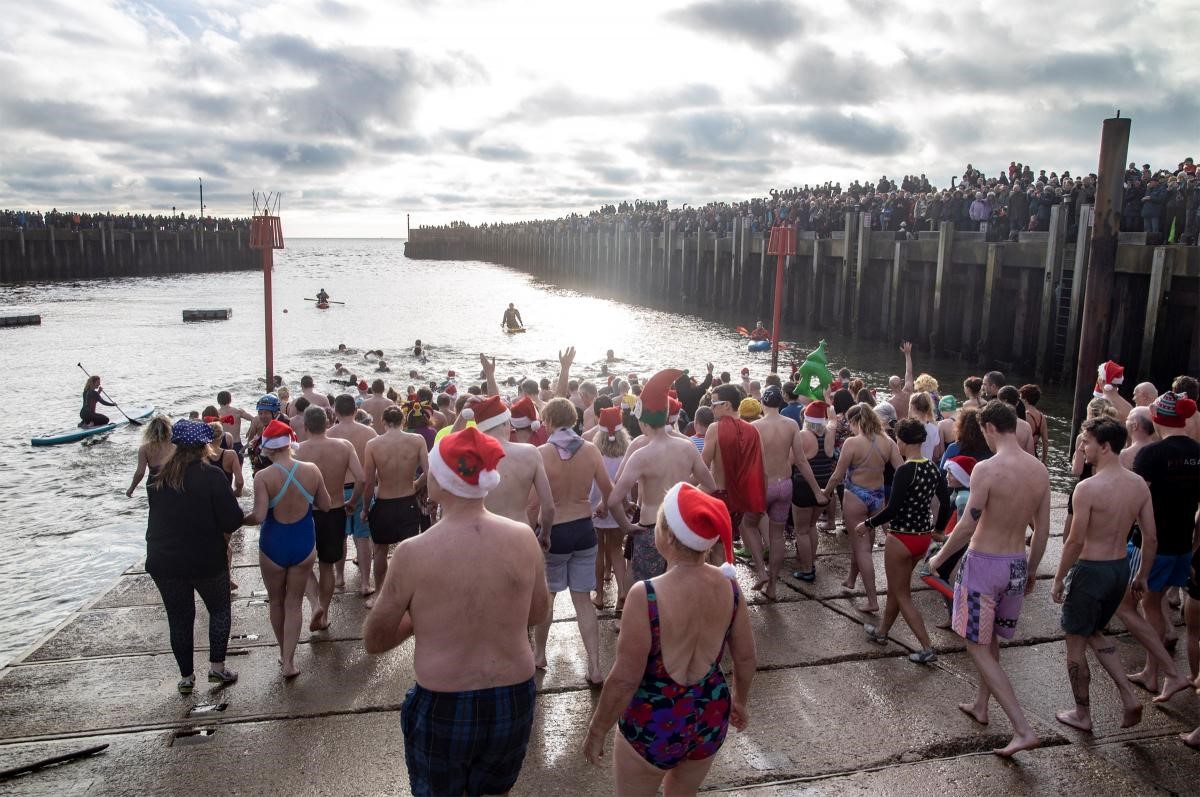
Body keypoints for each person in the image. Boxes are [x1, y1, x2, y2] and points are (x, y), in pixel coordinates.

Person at [364, 427, 550, 797]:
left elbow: (375, 639)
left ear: (442, 480)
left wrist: (422, 617)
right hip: (513, 696)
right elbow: (536, 613)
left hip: (444, 700)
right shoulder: (523, 538)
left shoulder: (414, 552)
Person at [582, 483, 756, 795]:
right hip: (709, 714)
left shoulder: (646, 595)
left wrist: (597, 730)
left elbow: (624, 679)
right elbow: (745, 657)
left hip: (654, 719)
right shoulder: (730, 587)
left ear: (669, 536)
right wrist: (739, 700)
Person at [928, 401, 1050, 758]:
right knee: (991, 638)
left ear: (989, 428)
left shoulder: (986, 469)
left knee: (976, 646)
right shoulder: (1039, 470)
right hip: (1015, 563)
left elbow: (968, 522)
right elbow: (1041, 529)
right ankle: (981, 705)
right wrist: (1031, 569)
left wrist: (939, 557)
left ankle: (1022, 728)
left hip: (983, 564)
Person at [1051, 417, 1157, 732]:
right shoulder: (1138, 484)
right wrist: (1142, 575)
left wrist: (1058, 578)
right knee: (1096, 633)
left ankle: (1082, 714)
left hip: (1089, 571)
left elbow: (1075, 540)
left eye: (1087, 442)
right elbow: (1150, 537)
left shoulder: (1088, 488)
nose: (1082, 446)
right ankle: (1128, 696)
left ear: (1106, 446)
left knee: (1075, 645)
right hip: (1119, 569)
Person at [145, 419, 243, 694]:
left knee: (178, 617)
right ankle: (217, 669)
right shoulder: (210, 475)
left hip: (163, 559)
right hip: (205, 558)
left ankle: (186, 677)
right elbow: (231, 519)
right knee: (219, 609)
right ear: (205, 446)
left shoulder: (157, 477)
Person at [611, 370, 717, 588]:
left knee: (644, 584)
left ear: (643, 421)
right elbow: (710, 485)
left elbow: (613, 499)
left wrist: (626, 526)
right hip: (681, 525)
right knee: (678, 585)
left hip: (652, 527)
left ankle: (633, 618)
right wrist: (686, 492)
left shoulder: (641, 455)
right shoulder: (687, 447)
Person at [533, 398, 613, 685]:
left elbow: (534, 504)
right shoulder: (591, 450)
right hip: (583, 528)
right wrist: (603, 505)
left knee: (549, 598)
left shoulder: (541, 453)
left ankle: (539, 655)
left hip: (554, 532)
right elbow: (610, 490)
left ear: (550, 422)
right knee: (583, 601)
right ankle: (594, 666)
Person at [243, 419, 331, 678]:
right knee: (294, 602)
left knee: (277, 601)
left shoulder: (263, 476)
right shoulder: (312, 470)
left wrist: (239, 519)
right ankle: (291, 662)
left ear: (268, 449)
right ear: (291, 444)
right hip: (303, 542)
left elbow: (259, 516)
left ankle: (284, 654)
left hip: (274, 543)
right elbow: (325, 505)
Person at [860, 419, 952, 663]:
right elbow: (946, 503)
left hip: (901, 538)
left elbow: (892, 511)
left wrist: (867, 524)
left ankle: (926, 647)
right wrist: (938, 528)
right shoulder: (934, 468)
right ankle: (882, 633)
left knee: (902, 593)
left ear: (901, 440)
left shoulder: (905, 470)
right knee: (896, 588)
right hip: (922, 538)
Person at [1127, 391, 1200, 695]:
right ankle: (1154, 671)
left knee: (1143, 606)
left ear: (1157, 418)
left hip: (1152, 544)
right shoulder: (1198, 452)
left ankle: (1159, 673)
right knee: (1155, 605)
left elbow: (1137, 502)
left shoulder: (1152, 454)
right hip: (1184, 544)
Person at [823, 403, 903, 613]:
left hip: (856, 496)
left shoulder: (852, 443)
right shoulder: (888, 441)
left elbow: (838, 475)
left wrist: (826, 492)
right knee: (863, 541)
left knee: (862, 548)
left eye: (849, 423)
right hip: (878, 497)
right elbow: (901, 470)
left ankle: (872, 600)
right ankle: (851, 579)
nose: (848, 427)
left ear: (856, 421)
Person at [752, 386, 827, 600]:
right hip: (785, 485)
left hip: (763, 486)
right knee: (777, 537)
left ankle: (760, 570)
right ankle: (773, 585)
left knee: (748, 525)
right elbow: (801, 461)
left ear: (763, 404)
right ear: (780, 403)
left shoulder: (755, 426)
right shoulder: (792, 424)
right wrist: (817, 491)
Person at [296, 406, 364, 631]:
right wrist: (352, 502)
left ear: (305, 426)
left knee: (301, 565)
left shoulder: (297, 450)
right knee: (327, 566)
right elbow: (361, 479)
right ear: (328, 423)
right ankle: (323, 613)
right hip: (334, 511)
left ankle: (315, 603)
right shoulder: (344, 446)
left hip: (305, 514)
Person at [361, 405, 429, 607]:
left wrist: (365, 509)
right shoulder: (417, 440)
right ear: (403, 422)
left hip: (384, 502)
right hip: (408, 500)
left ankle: (380, 594)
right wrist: (417, 485)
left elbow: (368, 482)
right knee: (408, 550)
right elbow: (429, 471)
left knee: (380, 550)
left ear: (383, 422)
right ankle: (411, 593)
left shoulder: (373, 444)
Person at [703, 383, 767, 584]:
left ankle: (724, 589)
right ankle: (761, 573)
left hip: (719, 495)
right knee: (731, 540)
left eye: (714, 404)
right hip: (740, 499)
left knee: (718, 547)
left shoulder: (715, 428)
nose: (711, 408)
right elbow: (761, 468)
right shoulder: (752, 430)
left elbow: (702, 465)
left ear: (727, 405)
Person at [327, 394, 378, 595]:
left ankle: (339, 577)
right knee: (363, 537)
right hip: (363, 488)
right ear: (355, 411)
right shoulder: (369, 432)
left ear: (336, 412)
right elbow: (374, 466)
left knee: (340, 535)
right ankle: (365, 582)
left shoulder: (329, 434)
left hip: (338, 490)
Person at [790, 400, 835, 582]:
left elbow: (791, 461)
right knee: (811, 526)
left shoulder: (803, 436)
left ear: (806, 419)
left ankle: (807, 569)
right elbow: (833, 420)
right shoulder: (830, 433)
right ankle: (811, 561)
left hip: (804, 488)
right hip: (825, 487)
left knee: (801, 531)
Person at [592, 406, 629, 610]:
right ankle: (622, 592)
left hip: (597, 506)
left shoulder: (595, 453)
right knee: (617, 549)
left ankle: (599, 595)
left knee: (598, 550)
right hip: (619, 506)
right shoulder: (627, 453)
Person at [126, 414, 174, 496]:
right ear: (169, 430)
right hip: (173, 482)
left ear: (150, 430)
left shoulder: (144, 449)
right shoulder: (175, 446)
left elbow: (140, 473)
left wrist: (131, 489)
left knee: (156, 508)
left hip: (154, 485)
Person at [216, 391, 255, 463]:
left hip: (222, 446)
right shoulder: (237, 412)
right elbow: (254, 420)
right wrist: (250, 431)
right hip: (236, 444)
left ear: (218, 401)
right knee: (239, 472)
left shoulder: (216, 414)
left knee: (225, 472)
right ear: (230, 400)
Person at [1019, 384, 1049, 464]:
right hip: (1034, 456)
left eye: (1020, 397)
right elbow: (1045, 441)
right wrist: (1043, 460)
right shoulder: (1042, 416)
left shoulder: (1024, 415)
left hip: (1023, 455)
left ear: (1025, 399)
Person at [886, 341, 914, 420]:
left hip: (900, 428)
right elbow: (909, 372)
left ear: (890, 386)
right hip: (911, 423)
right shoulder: (908, 391)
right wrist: (907, 354)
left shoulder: (890, 402)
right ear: (901, 383)